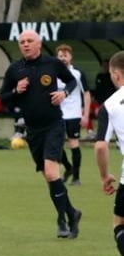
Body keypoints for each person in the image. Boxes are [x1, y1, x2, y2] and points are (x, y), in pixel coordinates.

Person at [0, 30, 82, 239]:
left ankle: (62, 221)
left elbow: (71, 82)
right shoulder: (15, 69)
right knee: (50, 178)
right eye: (22, 42)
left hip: (54, 124)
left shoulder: (52, 64)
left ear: (39, 43)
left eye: (29, 41)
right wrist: (16, 91)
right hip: (33, 131)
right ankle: (71, 213)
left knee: (53, 173)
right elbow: (4, 98)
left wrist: (64, 93)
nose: (25, 44)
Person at [93, 50, 124, 256]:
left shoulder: (110, 105)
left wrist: (105, 176)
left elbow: (101, 146)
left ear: (115, 74)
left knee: (120, 226)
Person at [56, 44, 90, 186]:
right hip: (57, 115)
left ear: (71, 57)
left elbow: (86, 94)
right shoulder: (53, 73)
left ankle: (76, 177)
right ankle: (68, 168)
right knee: (57, 145)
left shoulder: (77, 73)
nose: (63, 58)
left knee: (74, 144)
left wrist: (85, 115)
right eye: (60, 56)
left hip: (74, 114)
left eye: (66, 55)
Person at [89, 58, 117, 138]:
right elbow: (97, 89)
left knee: (102, 114)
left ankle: (108, 134)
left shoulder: (112, 77)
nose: (105, 67)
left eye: (106, 66)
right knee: (85, 110)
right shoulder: (99, 76)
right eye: (103, 66)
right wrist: (93, 96)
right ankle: (90, 132)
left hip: (109, 103)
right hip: (98, 102)